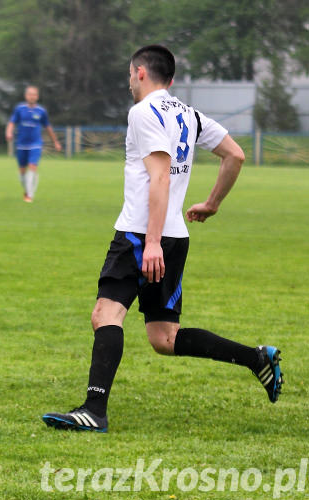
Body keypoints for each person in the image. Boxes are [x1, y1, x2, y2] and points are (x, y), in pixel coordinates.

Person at [42, 45, 283, 433]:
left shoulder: (142, 112)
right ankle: (257, 359)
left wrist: (150, 241)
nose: (129, 81)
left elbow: (159, 176)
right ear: (170, 80)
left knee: (106, 315)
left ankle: (94, 410)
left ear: (139, 73)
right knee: (164, 337)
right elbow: (235, 155)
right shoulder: (189, 115)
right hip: (174, 235)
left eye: (129, 74)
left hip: (142, 234)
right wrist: (212, 203)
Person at [5, 86, 62, 202]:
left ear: (37, 96)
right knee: (22, 173)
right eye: (30, 94)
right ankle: (27, 190)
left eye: (34, 94)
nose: (32, 97)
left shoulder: (41, 111)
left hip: (35, 144)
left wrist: (55, 141)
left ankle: (29, 195)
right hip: (21, 144)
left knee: (32, 167)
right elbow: (12, 122)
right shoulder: (19, 109)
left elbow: (48, 127)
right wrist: (9, 132)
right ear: (26, 96)